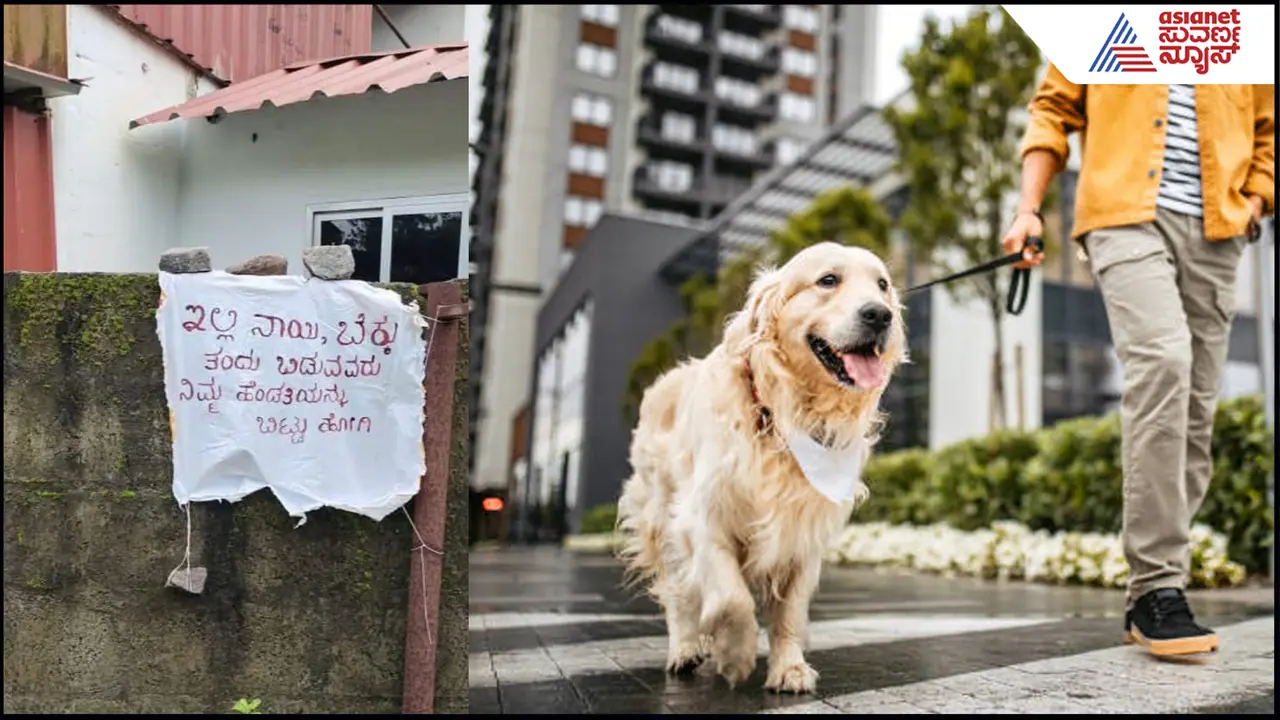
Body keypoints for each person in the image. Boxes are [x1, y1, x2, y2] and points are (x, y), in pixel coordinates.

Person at [1003, 68, 1273, 657]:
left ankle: (1152, 589)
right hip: (1124, 215)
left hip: (1219, 232)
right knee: (1164, 363)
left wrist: (1255, 200)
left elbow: (1268, 129)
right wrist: (1028, 207)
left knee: (1196, 414)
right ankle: (1157, 587)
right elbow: (1052, 111)